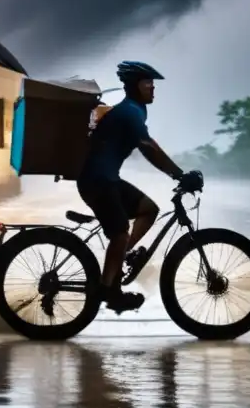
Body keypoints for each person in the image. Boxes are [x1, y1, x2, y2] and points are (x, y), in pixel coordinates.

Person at [76, 60, 203, 314]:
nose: (153, 88)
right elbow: (146, 146)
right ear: (135, 86)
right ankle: (109, 291)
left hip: (105, 179)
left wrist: (175, 172)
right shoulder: (130, 111)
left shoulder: (135, 110)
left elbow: (149, 142)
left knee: (148, 209)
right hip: (98, 181)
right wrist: (177, 174)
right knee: (120, 231)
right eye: (148, 83)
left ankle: (120, 258)